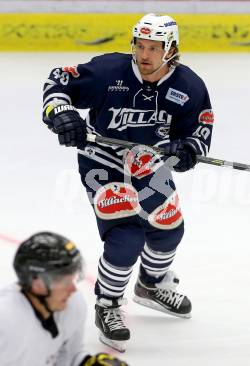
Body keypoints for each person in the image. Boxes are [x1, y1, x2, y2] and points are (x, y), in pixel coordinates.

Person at [41, 13, 214, 352]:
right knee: (126, 237)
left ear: (172, 50)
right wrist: (62, 114)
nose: (145, 55)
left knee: (169, 228)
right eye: (140, 46)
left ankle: (149, 285)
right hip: (102, 160)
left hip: (150, 164)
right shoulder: (109, 72)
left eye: (154, 48)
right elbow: (58, 82)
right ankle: (107, 304)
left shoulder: (189, 86)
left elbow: (199, 131)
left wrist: (188, 149)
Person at [0, 231, 128, 366]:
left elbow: (68, 356)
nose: (72, 289)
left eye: (72, 279)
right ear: (37, 282)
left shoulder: (72, 304)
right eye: (65, 282)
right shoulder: (5, 319)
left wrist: (86, 363)